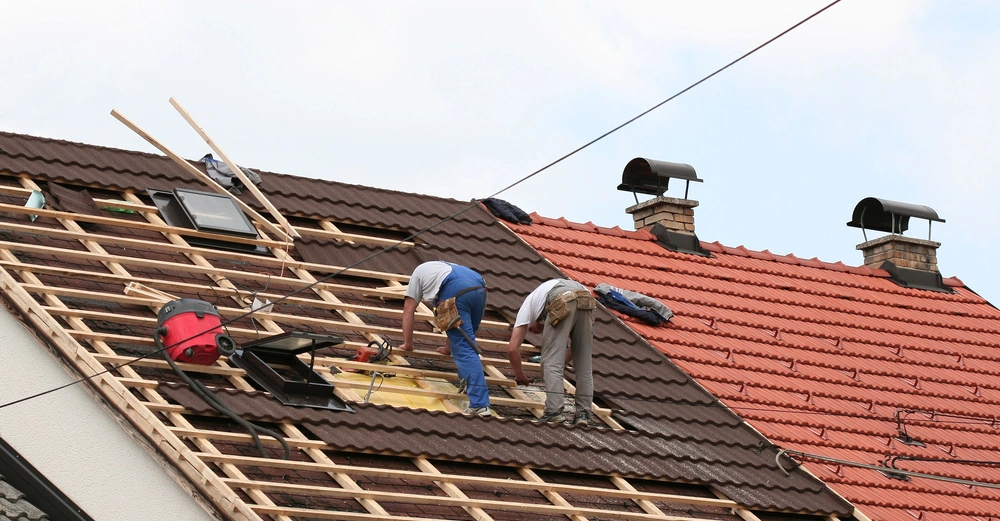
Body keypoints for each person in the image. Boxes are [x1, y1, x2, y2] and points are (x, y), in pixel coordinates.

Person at [400, 261, 491, 416]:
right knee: (465, 340)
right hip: (479, 287)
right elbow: (453, 324)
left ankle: (479, 405)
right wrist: (448, 348)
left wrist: (408, 344)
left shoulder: (418, 274)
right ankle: (467, 379)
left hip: (455, 290)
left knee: (465, 348)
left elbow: (409, 309)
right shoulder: (446, 266)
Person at [507, 279, 595, 425]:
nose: (534, 331)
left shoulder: (528, 305)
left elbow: (512, 348)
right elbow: (574, 349)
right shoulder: (543, 298)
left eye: (532, 328)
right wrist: (554, 370)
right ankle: (583, 415)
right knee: (584, 364)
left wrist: (520, 374)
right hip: (587, 299)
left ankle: (553, 412)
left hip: (562, 297)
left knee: (550, 362)